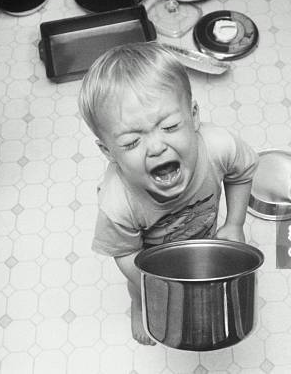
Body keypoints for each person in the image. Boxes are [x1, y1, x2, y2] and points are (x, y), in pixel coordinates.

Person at [78, 42, 258, 345]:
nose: (157, 147)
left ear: (194, 115)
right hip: (150, 263)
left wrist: (234, 224)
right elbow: (124, 252)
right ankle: (139, 303)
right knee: (139, 289)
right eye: (132, 142)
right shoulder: (117, 201)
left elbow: (242, 172)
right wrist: (154, 286)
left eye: (171, 126)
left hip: (203, 239)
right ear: (108, 151)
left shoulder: (218, 146)